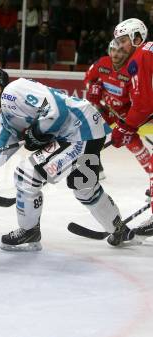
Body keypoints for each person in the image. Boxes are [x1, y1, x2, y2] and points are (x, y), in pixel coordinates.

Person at [0, 66, 132, 250]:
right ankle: (118, 228)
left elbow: (56, 110)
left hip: (80, 129)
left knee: (26, 174)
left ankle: (29, 231)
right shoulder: (6, 116)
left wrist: (37, 131)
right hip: (86, 129)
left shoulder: (13, 92)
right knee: (83, 187)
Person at [111, 18, 153, 238]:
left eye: (124, 40)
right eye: (117, 41)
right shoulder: (147, 51)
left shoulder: (139, 57)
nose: (119, 46)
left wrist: (124, 128)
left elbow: (144, 105)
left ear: (138, 38)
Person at [84, 39, 150, 174]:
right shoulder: (102, 63)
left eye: (120, 51)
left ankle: (150, 170)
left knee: (131, 140)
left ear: (126, 53)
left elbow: (137, 100)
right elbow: (88, 79)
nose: (115, 54)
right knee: (89, 132)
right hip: (105, 110)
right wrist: (93, 88)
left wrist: (129, 124)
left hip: (124, 113)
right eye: (113, 50)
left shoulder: (133, 69)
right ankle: (94, 167)